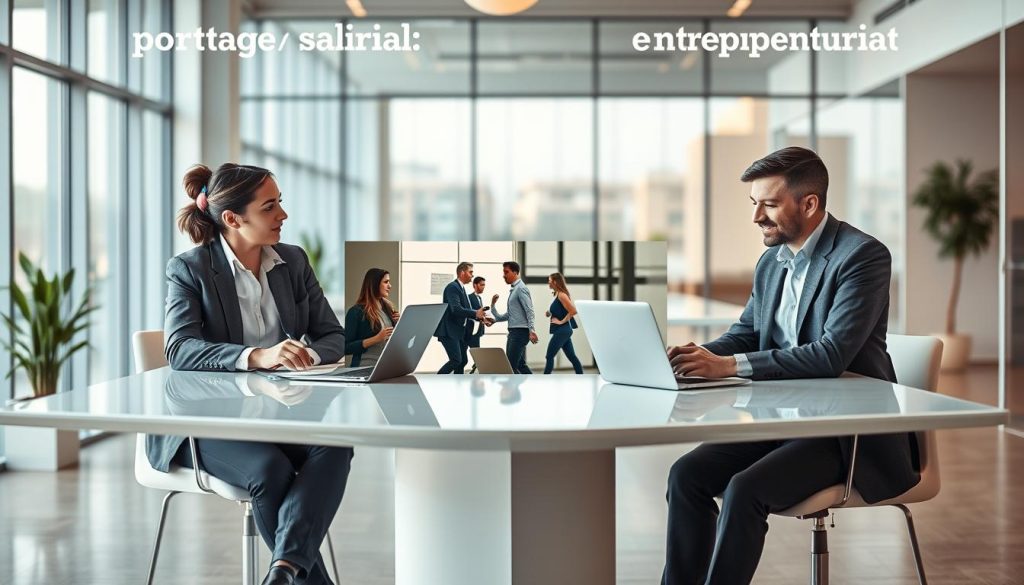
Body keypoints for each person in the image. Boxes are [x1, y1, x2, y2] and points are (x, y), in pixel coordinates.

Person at [660, 147, 920, 585]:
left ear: (810, 203)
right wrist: (694, 359)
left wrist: (726, 367)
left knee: (745, 490)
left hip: (846, 434)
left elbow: (830, 353)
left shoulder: (862, 257)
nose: (757, 216)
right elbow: (745, 334)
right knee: (686, 475)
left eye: (770, 203)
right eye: (753, 203)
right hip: (781, 423)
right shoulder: (771, 263)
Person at [154, 162, 353, 585]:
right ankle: (302, 578)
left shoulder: (293, 261)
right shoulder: (189, 269)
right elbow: (180, 349)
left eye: (280, 203)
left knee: (335, 445)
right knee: (269, 471)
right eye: (270, 207)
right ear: (232, 219)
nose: (283, 215)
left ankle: (282, 571)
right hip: (203, 421)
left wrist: (306, 358)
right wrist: (258, 356)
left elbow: (333, 335)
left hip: (275, 412)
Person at [435, 262, 486, 374]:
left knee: (462, 361)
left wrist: (481, 318)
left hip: (458, 332)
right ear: (462, 273)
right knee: (456, 360)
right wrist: (476, 313)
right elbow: (456, 309)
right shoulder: (452, 288)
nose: (472, 275)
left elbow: (468, 311)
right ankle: (436, 381)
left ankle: (458, 386)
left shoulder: (462, 289)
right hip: (449, 331)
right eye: (470, 272)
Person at [344, 268, 401, 368]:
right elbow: (346, 348)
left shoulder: (388, 308)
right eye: (386, 282)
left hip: (386, 368)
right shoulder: (356, 312)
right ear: (375, 284)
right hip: (364, 369)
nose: (390, 286)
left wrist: (399, 324)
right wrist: (376, 339)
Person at [490, 261, 537, 374]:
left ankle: (514, 390)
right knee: (520, 365)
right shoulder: (514, 290)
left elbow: (529, 311)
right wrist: (493, 307)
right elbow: (508, 315)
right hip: (514, 332)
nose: (504, 275)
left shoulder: (521, 289)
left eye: (506, 272)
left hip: (520, 333)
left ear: (515, 272)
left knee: (510, 367)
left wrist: (532, 330)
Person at [543, 272, 584, 374]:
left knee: (549, 356)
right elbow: (562, 311)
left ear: (555, 282)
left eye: (549, 281)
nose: (548, 283)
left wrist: (561, 322)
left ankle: (545, 378)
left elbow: (573, 311)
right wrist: (550, 312)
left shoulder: (561, 295)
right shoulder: (557, 294)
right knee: (572, 357)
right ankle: (581, 375)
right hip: (564, 331)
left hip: (562, 330)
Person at [466, 276, 489, 373]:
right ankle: (477, 366)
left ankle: (476, 366)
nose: (483, 287)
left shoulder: (479, 298)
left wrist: (484, 319)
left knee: (477, 352)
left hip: (477, 330)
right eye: (481, 285)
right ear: (475, 285)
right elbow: (468, 313)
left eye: (484, 285)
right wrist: (480, 318)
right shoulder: (469, 298)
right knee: (476, 353)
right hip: (470, 330)